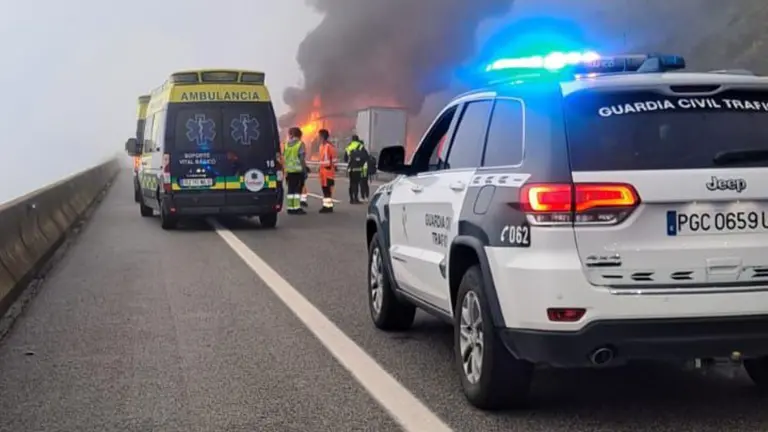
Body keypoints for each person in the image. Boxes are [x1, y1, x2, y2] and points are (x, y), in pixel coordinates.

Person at [283, 127, 308, 214]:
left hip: (289, 171)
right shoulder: (300, 144)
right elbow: (301, 159)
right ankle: (296, 208)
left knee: (290, 189)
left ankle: (290, 208)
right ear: (300, 135)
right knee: (297, 190)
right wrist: (305, 170)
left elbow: (284, 157)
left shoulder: (286, 144)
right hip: (298, 171)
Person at [317, 129, 337, 213]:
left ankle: (328, 207)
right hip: (322, 171)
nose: (318, 138)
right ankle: (326, 205)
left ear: (322, 137)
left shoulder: (329, 146)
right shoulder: (321, 146)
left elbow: (334, 158)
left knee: (327, 190)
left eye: (319, 136)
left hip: (328, 171)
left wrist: (333, 166)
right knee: (324, 189)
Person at [344, 135, 368, 204]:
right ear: (358, 139)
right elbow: (366, 156)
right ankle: (356, 198)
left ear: (352, 140)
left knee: (351, 183)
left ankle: (351, 199)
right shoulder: (361, 146)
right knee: (356, 183)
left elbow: (345, 159)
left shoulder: (348, 147)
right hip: (358, 168)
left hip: (351, 168)